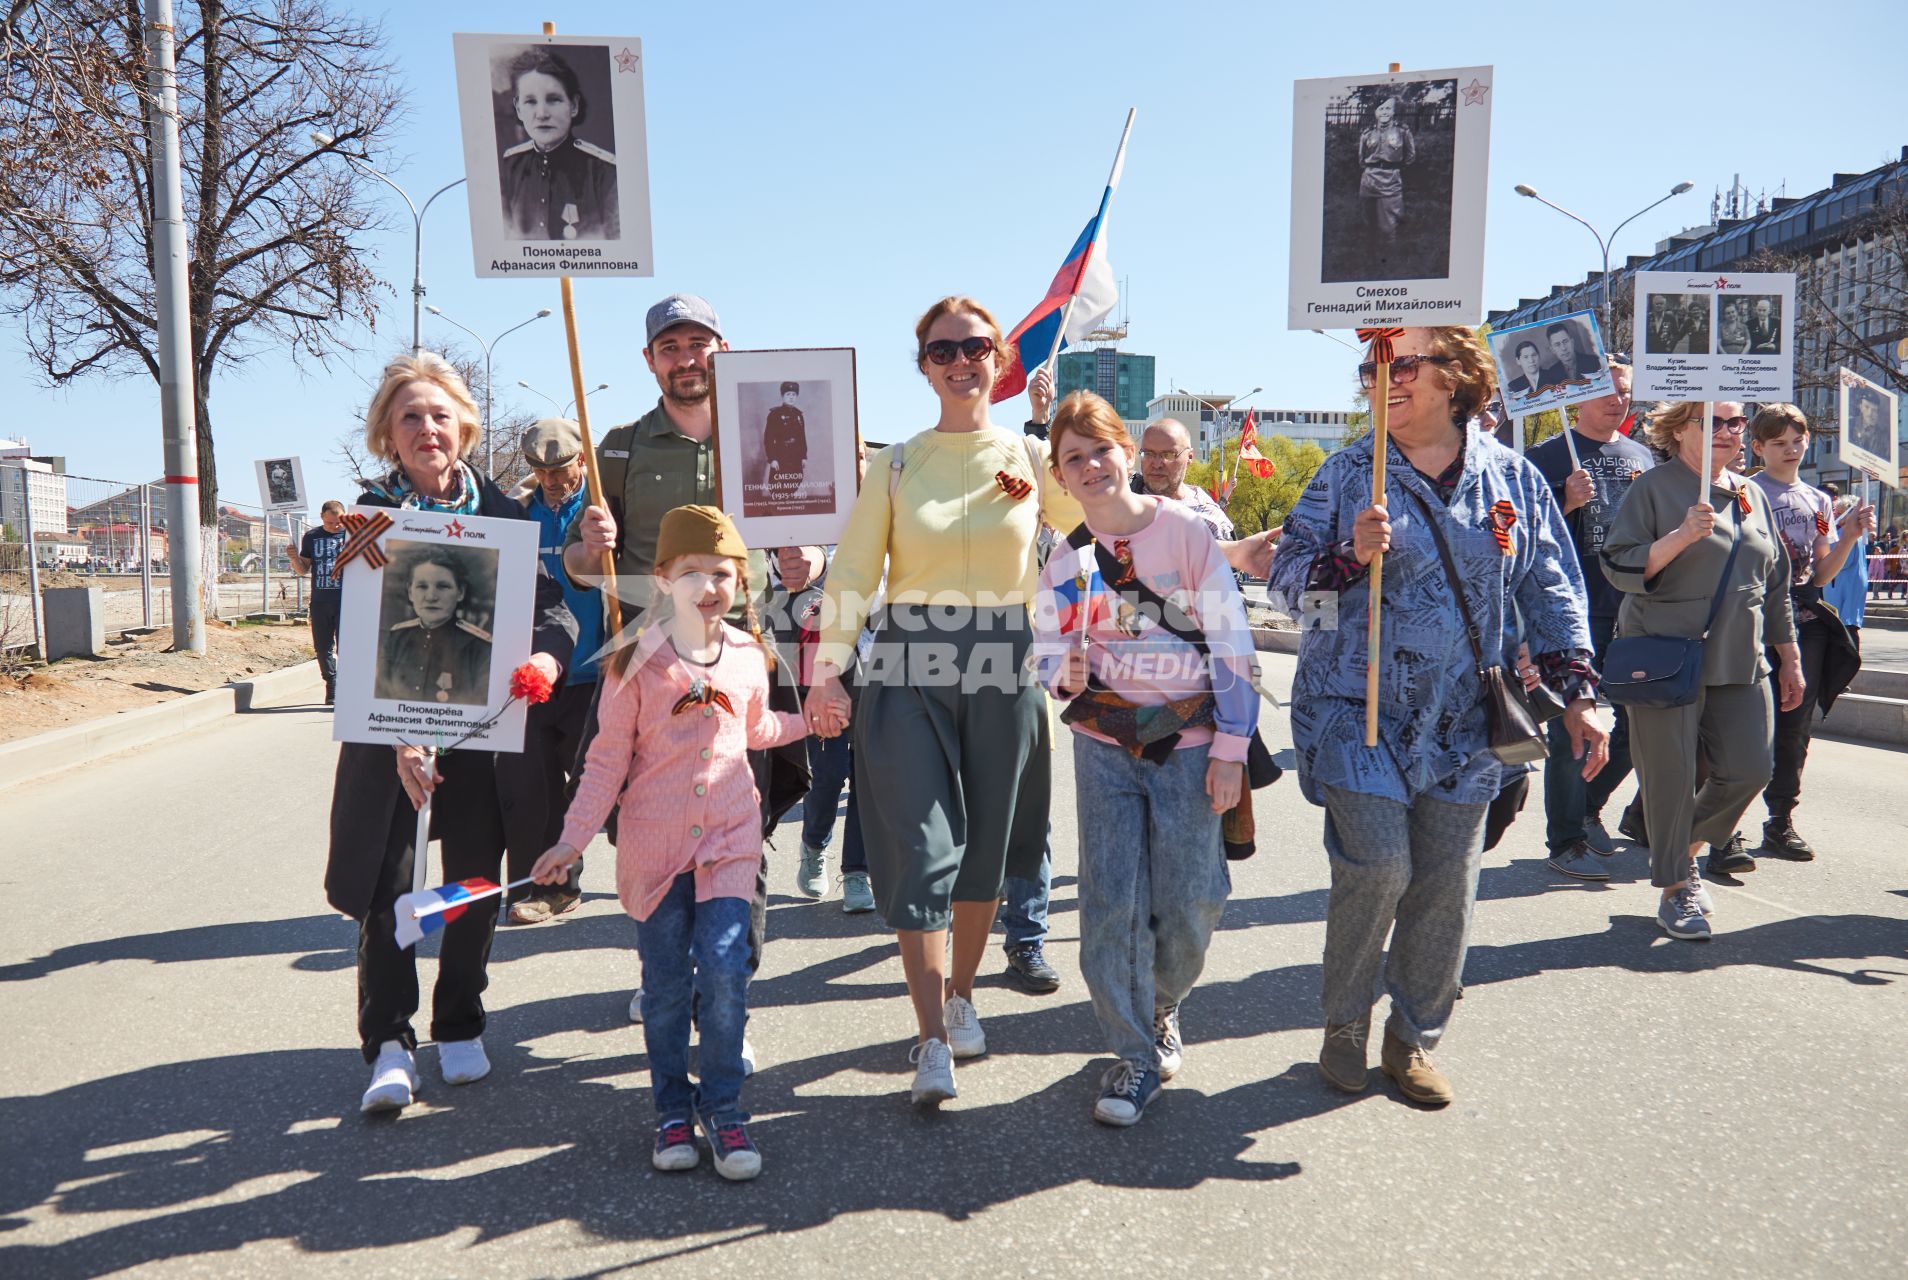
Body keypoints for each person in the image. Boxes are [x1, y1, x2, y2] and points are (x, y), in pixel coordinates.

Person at [1267, 326, 1606, 1106]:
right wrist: (1346, 558)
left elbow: (1552, 593)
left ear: (1455, 378)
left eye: (1402, 364)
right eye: (1371, 367)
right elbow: (1291, 596)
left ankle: (1412, 1038)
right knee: (1381, 866)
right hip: (1356, 716)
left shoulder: (1514, 481)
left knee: (1446, 886)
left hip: (1465, 726)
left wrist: (1581, 698)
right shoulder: (1347, 475)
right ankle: (1346, 1022)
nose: (1382, 379)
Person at [803, 296, 1085, 1108]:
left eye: (977, 346)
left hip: (1005, 661)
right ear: (923, 365)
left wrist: (1065, 445)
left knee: (986, 851)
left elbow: (1096, 519)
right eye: (943, 350)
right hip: (907, 665)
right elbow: (854, 572)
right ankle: (930, 1037)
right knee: (922, 849)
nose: (961, 361)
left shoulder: (1031, 459)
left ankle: (961, 992)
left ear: (1000, 359)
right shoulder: (893, 463)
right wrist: (829, 669)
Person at [563, 294, 821, 1032]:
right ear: (650, 361)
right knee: (652, 830)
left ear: (723, 350)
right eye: (670, 347)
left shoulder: (766, 433)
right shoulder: (617, 447)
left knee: (746, 824)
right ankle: (665, 971)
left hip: (745, 657)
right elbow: (581, 567)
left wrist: (806, 561)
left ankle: (730, 981)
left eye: (698, 344)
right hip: (650, 669)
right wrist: (591, 544)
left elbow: (803, 540)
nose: (686, 359)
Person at [327, 352, 576, 1114]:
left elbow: (555, 613)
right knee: (391, 887)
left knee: (472, 880)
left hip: (484, 738)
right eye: (410, 416)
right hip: (391, 743)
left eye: (440, 415)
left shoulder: (505, 519)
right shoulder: (365, 523)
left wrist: (544, 657)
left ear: (463, 426)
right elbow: (342, 632)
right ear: (388, 435)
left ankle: (461, 1020)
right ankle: (392, 1043)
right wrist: (397, 730)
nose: (427, 428)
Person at [533, 505, 805, 1180]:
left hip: (730, 843)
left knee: (723, 972)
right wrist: (572, 840)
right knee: (661, 990)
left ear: (740, 583)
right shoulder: (635, 663)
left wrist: (813, 721)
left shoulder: (748, 654)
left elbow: (757, 730)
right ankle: (671, 1111)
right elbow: (605, 762)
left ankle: (725, 1108)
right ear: (661, 580)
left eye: (722, 573)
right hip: (653, 854)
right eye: (692, 573)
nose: (708, 586)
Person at [1034, 390, 1257, 1126]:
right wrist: (1059, 665)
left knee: (1195, 900)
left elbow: (1230, 643)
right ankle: (1131, 1053)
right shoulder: (1065, 560)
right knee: (1108, 907)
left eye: (1101, 449)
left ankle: (1161, 1002)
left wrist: (1231, 748)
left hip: (1189, 745)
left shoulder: (1188, 534)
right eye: (1074, 458)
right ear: (1061, 478)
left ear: (1126, 454)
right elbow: (1048, 654)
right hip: (1106, 745)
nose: (1091, 465)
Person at [1599, 402, 1801, 941]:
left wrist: (1790, 656)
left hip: (1741, 656)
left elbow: (1775, 581)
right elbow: (1617, 565)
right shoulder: (1654, 487)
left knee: (1751, 769)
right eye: (1712, 421)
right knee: (1669, 778)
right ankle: (1675, 888)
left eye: (1735, 422)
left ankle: (1679, 851)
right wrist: (1679, 537)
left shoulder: (1750, 491)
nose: (1727, 431)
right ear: (1679, 430)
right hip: (1664, 656)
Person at [1524, 359, 1653, 878]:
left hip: (1634, 609)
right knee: (1569, 730)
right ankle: (1567, 840)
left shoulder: (1642, 454)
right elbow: (1517, 531)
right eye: (1606, 391)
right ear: (1576, 397)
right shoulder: (1545, 456)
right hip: (1571, 611)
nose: (1618, 401)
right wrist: (1564, 499)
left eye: (1624, 392)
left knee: (1636, 725)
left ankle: (1589, 806)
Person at [1744, 404, 1872, 860]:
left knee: (1795, 728)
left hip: (1806, 626)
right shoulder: (1745, 492)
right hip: (1754, 624)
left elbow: (1820, 573)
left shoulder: (1818, 502)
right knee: (1745, 727)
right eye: (1780, 443)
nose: (1792, 449)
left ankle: (1780, 820)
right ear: (1758, 447)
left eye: (1797, 441)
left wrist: (1850, 535)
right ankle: (1724, 825)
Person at [497, 418, 605, 925]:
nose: (554, 481)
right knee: (530, 790)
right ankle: (543, 887)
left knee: (585, 786)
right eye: (542, 471)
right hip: (534, 674)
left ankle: (592, 875)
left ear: (581, 461)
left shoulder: (602, 508)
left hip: (595, 670)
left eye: (562, 470)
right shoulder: (515, 515)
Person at [498, 48, 619, 242]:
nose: (542, 113)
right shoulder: (509, 166)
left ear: (573, 106)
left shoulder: (605, 171)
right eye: (530, 102)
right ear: (519, 110)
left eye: (553, 100)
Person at [374, 548, 493, 707]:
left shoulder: (479, 647)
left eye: (443, 586)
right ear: (410, 592)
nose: (431, 597)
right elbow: (380, 695)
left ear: (460, 592)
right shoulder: (395, 638)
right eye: (422, 586)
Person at [287, 499, 347, 705]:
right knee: (322, 647)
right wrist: (294, 558)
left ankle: (345, 689)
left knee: (346, 647)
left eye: (339, 522)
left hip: (347, 601)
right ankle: (331, 682)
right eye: (330, 523)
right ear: (322, 517)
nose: (335, 526)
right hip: (320, 600)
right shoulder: (312, 537)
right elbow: (303, 570)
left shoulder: (353, 535)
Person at [1357, 96, 1416, 256]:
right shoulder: (1367, 133)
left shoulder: (1402, 131)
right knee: (1368, 220)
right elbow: (1361, 159)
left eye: (1388, 108)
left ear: (1394, 112)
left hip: (1391, 180)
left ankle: (1389, 259)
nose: (1384, 112)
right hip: (1369, 181)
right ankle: (1369, 254)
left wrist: (1393, 168)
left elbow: (1410, 156)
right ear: (1376, 112)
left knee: (1389, 224)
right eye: (1381, 108)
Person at [761, 382, 808, 496]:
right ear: (782, 396)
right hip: (781, 455)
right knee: (778, 484)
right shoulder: (775, 414)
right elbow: (769, 438)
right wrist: (773, 459)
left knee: (795, 480)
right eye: (788, 394)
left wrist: (803, 456)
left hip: (796, 457)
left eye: (793, 394)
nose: (791, 397)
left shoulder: (798, 415)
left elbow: (802, 438)